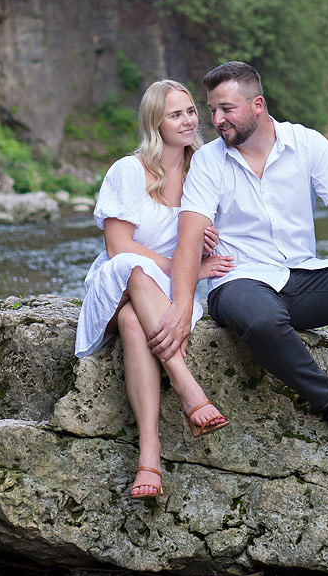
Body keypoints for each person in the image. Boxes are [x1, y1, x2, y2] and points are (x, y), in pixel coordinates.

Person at [147, 61, 328, 458]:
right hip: (237, 282)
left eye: (227, 109)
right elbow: (189, 237)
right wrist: (182, 306)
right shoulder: (208, 162)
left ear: (257, 104)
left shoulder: (307, 144)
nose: (217, 120)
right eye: (213, 110)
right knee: (261, 318)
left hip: (301, 276)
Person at [75, 79, 234, 500]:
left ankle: (149, 456)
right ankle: (186, 386)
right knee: (135, 268)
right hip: (118, 282)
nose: (188, 120)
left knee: (134, 322)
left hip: (162, 294)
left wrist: (204, 247)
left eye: (190, 111)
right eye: (175, 114)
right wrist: (191, 270)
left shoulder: (206, 170)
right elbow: (118, 247)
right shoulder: (128, 170)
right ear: (155, 122)